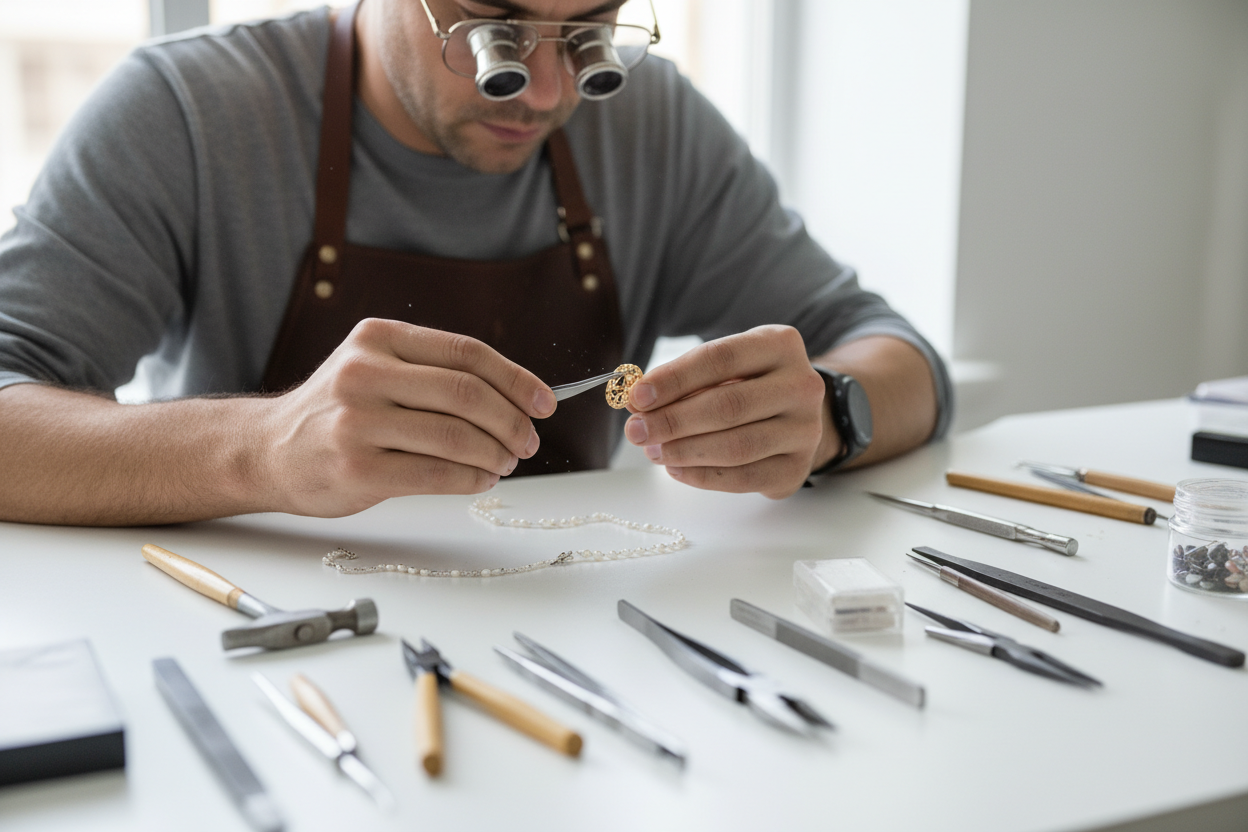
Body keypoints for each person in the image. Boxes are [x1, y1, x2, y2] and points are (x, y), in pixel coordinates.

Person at [0, 0, 951, 527]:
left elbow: (899, 357)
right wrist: (259, 450)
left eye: (586, 30)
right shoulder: (189, 116)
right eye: (491, 29)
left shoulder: (651, 124)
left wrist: (829, 414)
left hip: (581, 637)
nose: (541, 92)